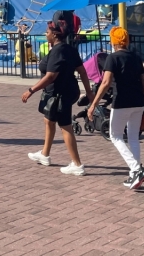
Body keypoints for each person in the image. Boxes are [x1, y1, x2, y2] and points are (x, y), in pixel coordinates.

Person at [22, 21, 93, 175]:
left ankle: (77, 164)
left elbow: (51, 76)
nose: (45, 34)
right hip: (63, 92)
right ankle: (44, 154)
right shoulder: (69, 49)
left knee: (65, 126)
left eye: (47, 31)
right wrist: (88, 92)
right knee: (48, 120)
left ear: (55, 34)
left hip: (59, 94)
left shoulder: (58, 51)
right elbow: (82, 72)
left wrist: (31, 90)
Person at [91, 27, 144, 189]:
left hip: (122, 102)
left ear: (114, 41)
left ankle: (136, 168)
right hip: (138, 101)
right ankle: (134, 173)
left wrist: (94, 104)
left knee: (116, 136)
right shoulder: (135, 57)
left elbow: (105, 83)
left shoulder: (113, 58)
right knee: (133, 137)